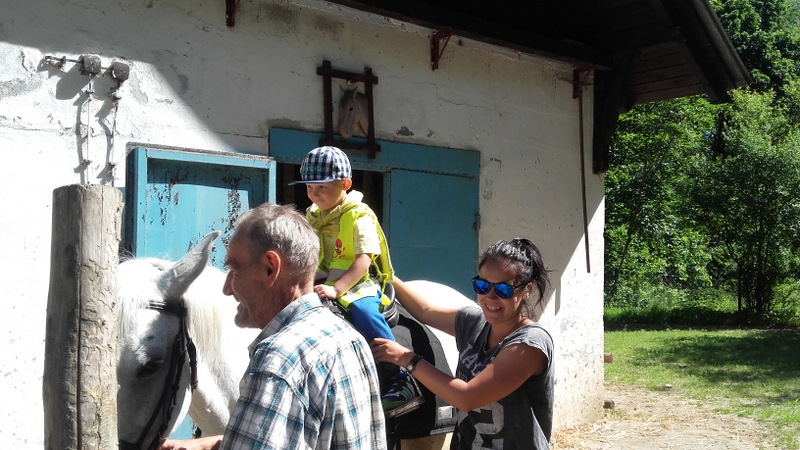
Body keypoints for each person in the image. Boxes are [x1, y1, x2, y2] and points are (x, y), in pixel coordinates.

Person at [159, 203, 386, 450]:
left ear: (271, 268)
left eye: (234, 270)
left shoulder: (279, 360)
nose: (227, 289)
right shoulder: (348, 338)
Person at [370, 238, 555, 449]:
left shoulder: (530, 344)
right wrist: (386, 273)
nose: (490, 297)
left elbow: (466, 397)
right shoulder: (474, 322)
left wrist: (406, 358)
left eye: (503, 289)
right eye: (482, 286)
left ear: (527, 290)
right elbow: (425, 311)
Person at [289, 146, 423, 417]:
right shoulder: (314, 215)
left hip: (358, 280)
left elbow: (364, 259)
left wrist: (337, 288)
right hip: (323, 277)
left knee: (364, 311)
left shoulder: (358, 215)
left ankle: (400, 377)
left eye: (322, 187)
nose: (314, 194)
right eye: (310, 188)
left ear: (345, 184)